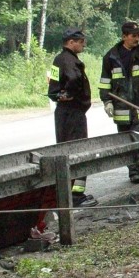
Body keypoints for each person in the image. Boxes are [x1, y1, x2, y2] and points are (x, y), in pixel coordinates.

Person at [98, 21, 139, 184]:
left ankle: (135, 172)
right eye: (134, 36)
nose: (137, 39)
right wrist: (107, 101)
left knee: (138, 140)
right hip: (121, 107)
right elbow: (105, 82)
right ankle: (132, 168)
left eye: (138, 35)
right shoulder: (111, 57)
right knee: (126, 142)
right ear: (124, 37)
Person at [47, 28, 97, 207]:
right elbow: (74, 79)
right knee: (78, 152)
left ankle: (69, 194)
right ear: (71, 42)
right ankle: (76, 196)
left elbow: (52, 87)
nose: (83, 44)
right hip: (72, 113)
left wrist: (59, 94)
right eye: (81, 41)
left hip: (64, 113)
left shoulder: (58, 60)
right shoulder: (68, 61)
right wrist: (72, 93)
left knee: (67, 151)